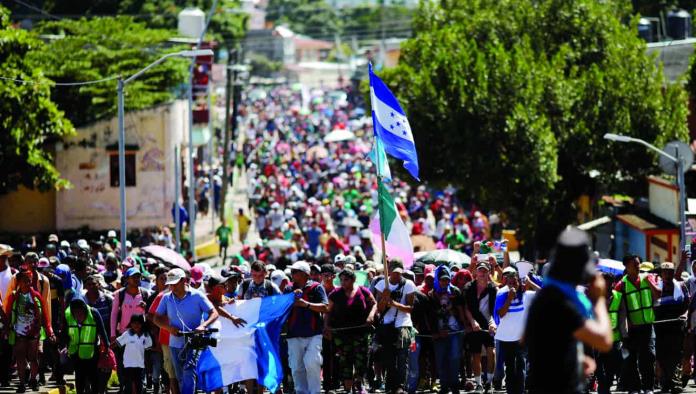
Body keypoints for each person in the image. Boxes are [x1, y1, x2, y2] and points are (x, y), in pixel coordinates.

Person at [525, 227, 612, 394]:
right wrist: (599, 299)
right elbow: (604, 341)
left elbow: (534, 341)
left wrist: (574, 359)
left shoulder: (546, 296)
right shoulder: (561, 302)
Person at [153, 268, 219, 394]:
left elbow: (214, 313)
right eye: (170, 284)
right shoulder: (166, 298)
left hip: (194, 341)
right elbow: (156, 318)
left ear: (184, 280)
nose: (172, 286)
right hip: (175, 343)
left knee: (189, 371)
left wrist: (203, 326)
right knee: (181, 377)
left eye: (175, 283)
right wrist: (168, 328)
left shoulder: (197, 295)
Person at [613, 254, 661, 394]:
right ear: (626, 266)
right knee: (631, 359)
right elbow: (616, 307)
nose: (638, 266)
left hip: (647, 326)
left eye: (639, 263)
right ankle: (634, 388)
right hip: (631, 330)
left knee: (649, 357)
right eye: (634, 264)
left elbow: (658, 295)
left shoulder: (648, 278)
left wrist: (650, 281)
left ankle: (648, 388)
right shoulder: (621, 285)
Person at [325, 269, 377, 393]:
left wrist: (371, 316)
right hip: (341, 334)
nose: (343, 282)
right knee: (345, 361)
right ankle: (348, 389)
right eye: (341, 280)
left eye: (346, 280)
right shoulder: (335, 294)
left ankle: (359, 384)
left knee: (361, 360)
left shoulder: (363, 291)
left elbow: (374, 304)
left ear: (353, 279)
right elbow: (327, 311)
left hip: (361, 332)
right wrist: (326, 326)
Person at [5, 270, 55, 393]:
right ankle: (22, 383)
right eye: (25, 281)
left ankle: (33, 379)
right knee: (20, 358)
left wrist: (50, 332)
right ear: (19, 282)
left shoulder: (37, 296)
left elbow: (45, 316)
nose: (28, 283)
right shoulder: (13, 296)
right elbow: (7, 313)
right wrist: (6, 329)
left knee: (33, 358)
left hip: (34, 332)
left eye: (29, 280)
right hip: (19, 332)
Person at [284, 261, 329, 394]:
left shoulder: (316, 288)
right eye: (291, 271)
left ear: (304, 274)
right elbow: (283, 309)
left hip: (314, 333)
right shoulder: (288, 289)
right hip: (293, 334)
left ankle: (314, 392)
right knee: (296, 367)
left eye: (295, 272)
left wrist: (306, 304)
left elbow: (325, 307)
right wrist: (291, 300)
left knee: (312, 363)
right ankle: (301, 391)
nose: (291, 274)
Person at [375, 258, 417, 394]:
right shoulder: (382, 284)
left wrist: (393, 303)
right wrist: (383, 298)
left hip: (403, 324)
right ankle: (390, 385)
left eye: (399, 273)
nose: (397, 275)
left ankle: (400, 386)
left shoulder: (409, 284)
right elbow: (379, 309)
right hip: (387, 324)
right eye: (394, 272)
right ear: (389, 271)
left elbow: (410, 308)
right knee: (389, 358)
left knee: (402, 356)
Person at [493, 267, 535, 394]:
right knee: (510, 367)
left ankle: (520, 391)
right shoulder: (501, 294)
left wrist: (530, 283)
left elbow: (544, 293)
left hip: (521, 338)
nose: (512, 285)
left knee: (521, 366)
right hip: (506, 338)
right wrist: (509, 299)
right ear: (506, 283)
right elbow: (500, 314)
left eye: (515, 282)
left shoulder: (526, 295)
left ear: (519, 282)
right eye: (510, 283)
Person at [111, 267, 151, 391]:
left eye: (138, 276)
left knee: (140, 363)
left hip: (141, 336)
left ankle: (141, 387)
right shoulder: (120, 294)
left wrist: (146, 308)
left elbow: (150, 316)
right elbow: (114, 314)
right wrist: (113, 334)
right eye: (133, 277)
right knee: (124, 365)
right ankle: (125, 387)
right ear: (127, 279)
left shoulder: (145, 293)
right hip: (124, 335)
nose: (136, 279)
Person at [428, 265, 465, 394]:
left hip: (455, 331)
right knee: (441, 359)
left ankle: (454, 385)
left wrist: (463, 326)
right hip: (439, 333)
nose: (445, 282)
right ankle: (444, 386)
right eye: (442, 280)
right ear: (437, 280)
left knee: (454, 358)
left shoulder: (455, 292)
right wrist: (435, 332)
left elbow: (461, 310)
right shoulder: (432, 294)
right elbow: (430, 316)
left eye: (447, 279)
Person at [654, 262, 689, 394]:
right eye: (665, 272)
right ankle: (664, 383)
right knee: (662, 356)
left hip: (676, 327)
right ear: (661, 273)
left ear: (674, 273)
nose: (668, 274)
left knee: (676, 355)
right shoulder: (656, 286)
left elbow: (687, 304)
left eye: (670, 272)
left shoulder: (681, 286)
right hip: (660, 327)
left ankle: (675, 383)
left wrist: (684, 315)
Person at [63, 295, 110, 394]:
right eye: (75, 312)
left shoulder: (94, 313)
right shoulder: (68, 315)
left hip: (92, 353)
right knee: (79, 377)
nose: (78, 315)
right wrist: (64, 347)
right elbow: (64, 333)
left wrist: (106, 348)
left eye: (80, 312)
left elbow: (102, 331)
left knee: (93, 377)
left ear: (84, 309)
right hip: (75, 353)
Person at [463, 261, 498, 392]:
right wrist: (472, 322)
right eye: (480, 270)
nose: (482, 273)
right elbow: (466, 308)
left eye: (485, 270)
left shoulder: (492, 288)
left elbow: (494, 310)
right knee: (475, 355)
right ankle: (479, 384)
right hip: (473, 325)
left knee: (492, 352)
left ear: (489, 272)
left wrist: (493, 323)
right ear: (476, 272)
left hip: (488, 324)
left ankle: (489, 383)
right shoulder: (468, 287)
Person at [114, 314, 153, 394]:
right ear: (131, 324)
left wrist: (148, 365)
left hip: (140, 365)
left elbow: (148, 348)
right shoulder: (127, 334)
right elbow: (117, 343)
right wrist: (108, 348)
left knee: (139, 385)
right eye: (134, 323)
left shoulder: (146, 335)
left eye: (139, 323)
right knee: (129, 385)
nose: (136, 325)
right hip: (128, 364)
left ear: (142, 324)